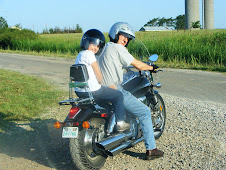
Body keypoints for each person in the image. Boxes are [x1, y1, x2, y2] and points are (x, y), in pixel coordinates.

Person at [98, 22, 164, 160]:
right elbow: (138, 65)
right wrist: (152, 68)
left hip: (101, 89)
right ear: (116, 35)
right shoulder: (118, 48)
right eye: (123, 36)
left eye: (128, 38)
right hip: (115, 89)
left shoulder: (104, 49)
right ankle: (151, 149)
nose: (125, 40)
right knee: (145, 112)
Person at [74, 29, 129, 132]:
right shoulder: (90, 55)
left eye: (98, 46)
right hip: (93, 90)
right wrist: (101, 81)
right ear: (86, 43)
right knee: (118, 95)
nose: (96, 48)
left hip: (80, 91)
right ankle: (120, 123)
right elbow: (98, 73)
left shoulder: (79, 55)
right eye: (94, 44)